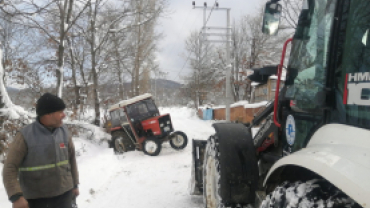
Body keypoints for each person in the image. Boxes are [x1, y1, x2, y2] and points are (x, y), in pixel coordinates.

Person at [2, 93, 79, 208]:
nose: (64, 115)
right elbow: (9, 168)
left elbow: (71, 159)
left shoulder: (64, 132)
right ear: (48, 114)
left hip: (65, 195)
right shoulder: (25, 136)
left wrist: (75, 184)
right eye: (60, 112)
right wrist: (16, 197)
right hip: (36, 199)